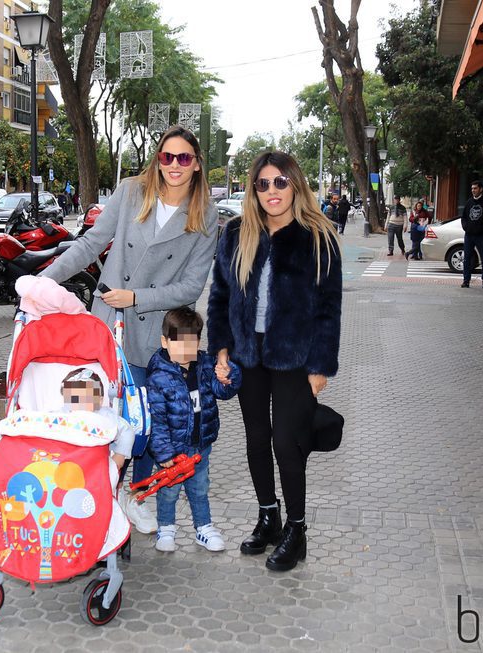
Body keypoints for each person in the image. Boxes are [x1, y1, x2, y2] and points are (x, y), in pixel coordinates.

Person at [41, 124, 218, 534]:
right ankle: (88, 492)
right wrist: (45, 280)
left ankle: (134, 494)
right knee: (98, 410)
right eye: (167, 156)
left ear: (196, 165)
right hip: (110, 322)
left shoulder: (204, 212)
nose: (174, 165)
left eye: (184, 158)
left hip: (158, 332)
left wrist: (137, 297)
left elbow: (191, 287)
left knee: (146, 421)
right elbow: (90, 243)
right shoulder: (130, 191)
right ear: (158, 159)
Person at [207, 151, 342, 572]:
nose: (271, 191)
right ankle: (269, 515)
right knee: (254, 440)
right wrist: (221, 348)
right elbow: (220, 297)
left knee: (286, 442)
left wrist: (320, 366)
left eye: (279, 182)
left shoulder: (318, 236)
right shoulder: (235, 234)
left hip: (294, 358)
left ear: (295, 186)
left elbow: (328, 307)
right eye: (262, 184)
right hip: (249, 353)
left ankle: (297, 531)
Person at [145, 308, 241, 553]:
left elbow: (223, 393)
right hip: (173, 451)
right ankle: (166, 528)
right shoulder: (159, 376)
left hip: (201, 445)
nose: (186, 348)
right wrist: (163, 453)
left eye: (192, 341)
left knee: (199, 488)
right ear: (165, 342)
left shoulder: (205, 366)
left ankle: (203, 528)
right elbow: (156, 418)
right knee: (169, 491)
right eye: (179, 342)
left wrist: (228, 376)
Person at [60, 368, 134, 473]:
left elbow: (127, 431)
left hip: (97, 464)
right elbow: (47, 421)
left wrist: (120, 454)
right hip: (67, 460)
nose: (79, 403)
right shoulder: (63, 414)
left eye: (86, 398)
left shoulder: (105, 416)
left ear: (99, 401)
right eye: (74, 398)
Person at [460, 179, 483, 289]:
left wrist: (482, 228)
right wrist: (466, 227)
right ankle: (466, 281)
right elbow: (464, 217)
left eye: (475, 188)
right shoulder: (469, 202)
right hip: (469, 235)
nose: (473, 190)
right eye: (472, 188)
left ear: (481, 189)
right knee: (467, 258)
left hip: (481, 235)